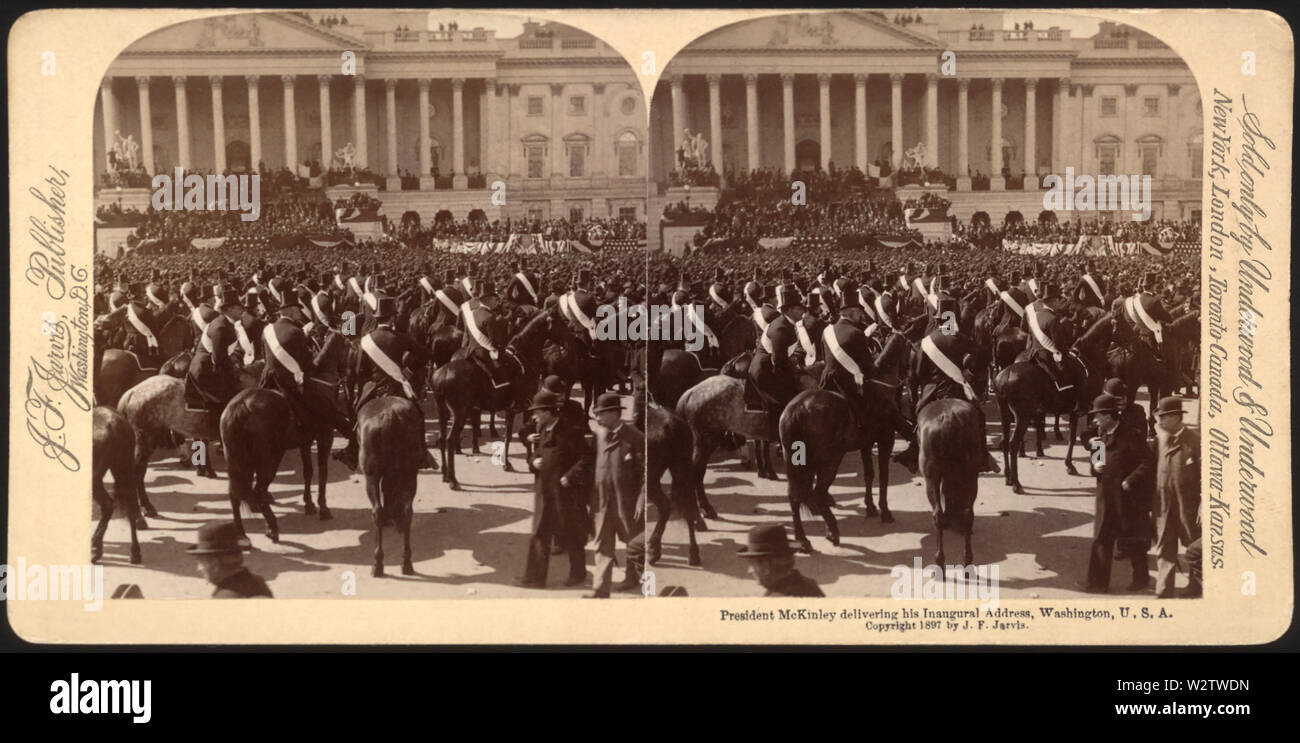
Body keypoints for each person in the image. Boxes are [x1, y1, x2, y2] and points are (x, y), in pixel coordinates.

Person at [519, 389, 593, 589]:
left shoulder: (570, 431)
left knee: (571, 534)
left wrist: (570, 476)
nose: (534, 416)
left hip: (565, 494)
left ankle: (578, 574)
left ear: (548, 412)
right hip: (544, 493)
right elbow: (536, 454)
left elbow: (586, 458)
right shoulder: (543, 429)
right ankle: (534, 578)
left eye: (537, 412)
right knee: (539, 534)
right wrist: (533, 462)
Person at [1083, 393, 1154, 593]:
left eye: (1098, 416)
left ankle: (1141, 579)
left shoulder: (1132, 435)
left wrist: (1131, 480)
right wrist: (1094, 467)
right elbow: (1095, 464)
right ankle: (1097, 584)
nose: (1095, 420)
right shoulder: (1100, 436)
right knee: (1101, 539)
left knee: (1134, 539)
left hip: (1128, 498)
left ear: (1108, 416)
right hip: (1105, 498)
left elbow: (1147, 462)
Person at [586, 393, 645, 598]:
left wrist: (642, 498)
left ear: (614, 413)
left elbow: (646, 471)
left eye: (601, 414)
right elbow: (590, 465)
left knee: (631, 540)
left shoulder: (635, 437)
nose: (597, 418)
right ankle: (600, 588)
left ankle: (633, 577)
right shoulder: (599, 435)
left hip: (625, 501)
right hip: (601, 500)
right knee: (602, 543)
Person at [1153, 396, 1201, 598]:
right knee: (1164, 545)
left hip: (1187, 505)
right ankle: (1164, 589)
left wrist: (1203, 504)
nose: (1159, 421)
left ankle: (1195, 585)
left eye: (1163, 417)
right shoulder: (1160, 441)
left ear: (1175, 417)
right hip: (1164, 504)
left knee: (1193, 544)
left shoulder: (1195, 441)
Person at [187, 521, 273, 598]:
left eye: (201, 562)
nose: (199, 569)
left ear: (214, 563)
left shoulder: (223, 599)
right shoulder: (259, 582)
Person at [736, 524, 823, 597]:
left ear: (766, 567)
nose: (749, 571)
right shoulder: (810, 585)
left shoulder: (773, 602)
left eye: (752, 564)